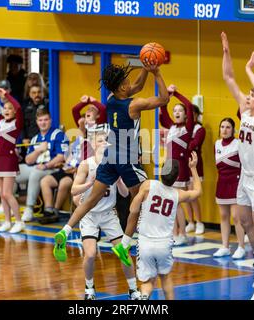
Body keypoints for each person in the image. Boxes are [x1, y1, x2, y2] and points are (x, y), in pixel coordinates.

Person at [53, 60, 170, 263]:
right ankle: (125, 245)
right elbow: (164, 99)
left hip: (110, 157)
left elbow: (138, 86)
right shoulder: (135, 105)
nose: (130, 83)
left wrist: (145, 69)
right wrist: (157, 73)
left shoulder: (110, 99)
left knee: (90, 200)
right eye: (127, 81)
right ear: (123, 86)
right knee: (139, 201)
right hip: (128, 160)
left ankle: (65, 230)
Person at [221, 32, 254, 300]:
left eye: (251, 93)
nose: (249, 95)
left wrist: (248, 68)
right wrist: (226, 51)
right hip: (245, 175)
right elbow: (228, 78)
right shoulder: (243, 110)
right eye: (250, 94)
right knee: (242, 220)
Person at [112, 152, 202, 300]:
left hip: (145, 242)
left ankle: (144, 297)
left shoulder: (148, 185)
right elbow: (198, 192)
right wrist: (193, 168)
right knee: (165, 278)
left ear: (161, 172)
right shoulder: (178, 194)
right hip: (164, 243)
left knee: (147, 281)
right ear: (177, 178)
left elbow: (133, 209)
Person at [71, 130, 140, 300]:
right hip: (89, 214)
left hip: (108, 214)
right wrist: (90, 183)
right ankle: (89, 288)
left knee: (123, 252)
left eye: (106, 141)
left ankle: (133, 289)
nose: (104, 143)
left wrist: (118, 180)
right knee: (91, 254)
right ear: (93, 145)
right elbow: (73, 190)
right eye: (100, 140)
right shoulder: (86, 165)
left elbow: (124, 194)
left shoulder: (114, 163)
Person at [16, 108, 68, 222]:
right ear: (37, 122)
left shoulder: (58, 134)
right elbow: (28, 160)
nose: (43, 123)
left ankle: (29, 208)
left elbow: (61, 156)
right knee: (13, 171)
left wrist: (46, 166)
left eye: (45, 120)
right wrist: (38, 150)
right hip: (36, 167)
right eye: (40, 120)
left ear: (50, 120)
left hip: (52, 169)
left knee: (36, 173)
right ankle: (8, 205)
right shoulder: (35, 138)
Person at [159, 84, 195, 245]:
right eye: (175, 111)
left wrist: (176, 93)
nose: (177, 113)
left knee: (177, 201)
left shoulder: (187, 128)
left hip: (180, 168)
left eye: (180, 111)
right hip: (168, 166)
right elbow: (163, 109)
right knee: (170, 201)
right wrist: (166, 96)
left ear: (186, 115)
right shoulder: (171, 126)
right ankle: (173, 232)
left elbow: (188, 105)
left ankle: (182, 233)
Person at [0, 87, 24, 233]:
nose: (7, 110)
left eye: (10, 108)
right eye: (5, 108)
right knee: (2, 194)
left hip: (9, 160)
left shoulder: (16, 124)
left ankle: (19, 222)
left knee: (8, 193)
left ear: (14, 111)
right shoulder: (1, 121)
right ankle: (7, 221)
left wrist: (6, 94)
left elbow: (19, 107)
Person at [213, 118, 246, 259]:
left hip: (236, 183)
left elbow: (244, 165)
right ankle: (225, 246)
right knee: (223, 216)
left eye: (227, 127)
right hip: (222, 183)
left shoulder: (238, 144)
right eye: (222, 127)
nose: (224, 130)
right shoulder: (217, 143)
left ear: (233, 129)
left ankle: (241, 247)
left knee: (236, 216)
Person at [185, 104, 205, 235]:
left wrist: (182, 144)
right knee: (185, 195)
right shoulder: (183, 128)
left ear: (197, 115)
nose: (190, 116)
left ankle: (199, 222)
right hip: (183, 165)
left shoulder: (199, 129)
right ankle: (190, 221)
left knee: (193, 195)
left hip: (195, 165)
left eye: (193, 113)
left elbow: (193, 144)